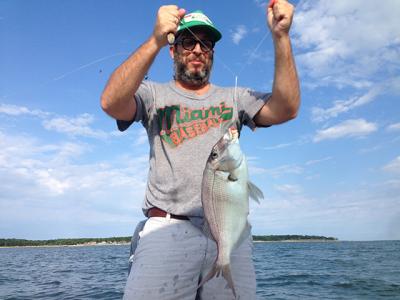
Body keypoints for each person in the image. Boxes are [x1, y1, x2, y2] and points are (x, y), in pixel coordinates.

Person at [101, 1, 299, 299]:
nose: (196, 49)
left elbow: (287, 109)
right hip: (166, 229)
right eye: (187, 41)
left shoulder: (235, 97)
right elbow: (111, 102)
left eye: (205, 43)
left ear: (212, 53)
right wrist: (155, 38)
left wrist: (281, 36)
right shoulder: (152, 93)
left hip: (230, 232)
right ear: (173, 48)